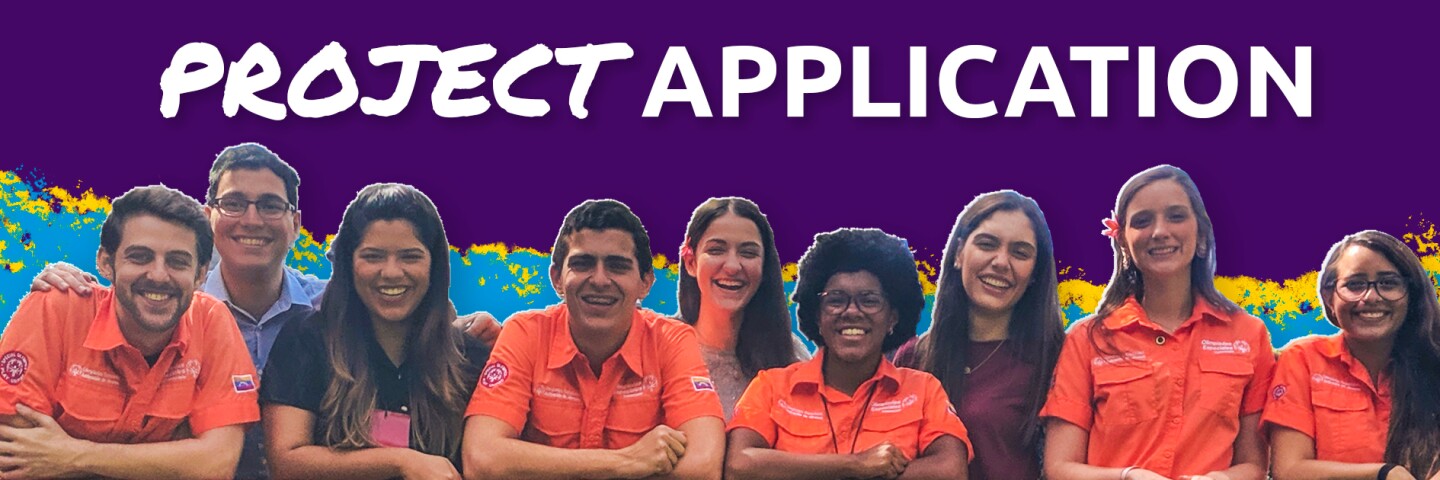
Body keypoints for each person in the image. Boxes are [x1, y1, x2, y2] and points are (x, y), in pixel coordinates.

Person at [28, 143, 497, 477]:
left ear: (295, 224)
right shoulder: (183, 307)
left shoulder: (323, 304)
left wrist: (483, 337)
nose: (252, 219)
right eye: (234, 203)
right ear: (208, 216)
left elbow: (394, 305)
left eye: (270, 206)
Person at [0, 185, 258, 479]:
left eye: (177, 261)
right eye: (139, 257)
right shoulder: (55, 308)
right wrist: (171, 460)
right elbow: (16, 453)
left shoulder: (211, 320)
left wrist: (74, 454)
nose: (159, 275)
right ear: (106, 263)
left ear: (200, 274)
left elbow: (216, 464)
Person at [463, 199, 724, 480]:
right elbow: (481, 459)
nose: (599, 279)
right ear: (557, 278)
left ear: (645, 283)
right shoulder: (525, 333)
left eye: (617, 266)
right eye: (583, 263)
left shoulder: (672, 340)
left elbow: (703, 466)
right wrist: (629, 461)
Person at [1042, 165, 1274, 480]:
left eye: (1176, 216)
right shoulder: (1087, 339)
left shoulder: (1249, 335)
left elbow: (1255, 465)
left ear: (1201, 231)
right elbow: (1059, 468)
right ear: (1123, 240)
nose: (1160, 231)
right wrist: (1128, 477)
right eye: (1142, 221)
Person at [260, 183, 488, 480]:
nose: (392, 272)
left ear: (434, 265)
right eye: (373, 256)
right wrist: (403, 463)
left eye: (410, 256)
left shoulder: (470, 357)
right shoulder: (305, 339)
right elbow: (286, 462)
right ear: (348, 264)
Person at [726, 228, 972, 480]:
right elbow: (739, 464)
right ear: (817, 315)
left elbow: (951, 470)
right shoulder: (771, 386)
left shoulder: (923, 390)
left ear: (893, 318)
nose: (852, 311)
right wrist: (854, 465)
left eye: (869, 300)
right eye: (836, 299)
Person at [893, 190, 1065, 480]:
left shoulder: (1058, 359)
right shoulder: (913, 357)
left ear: (1035, 272)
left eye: (1020, 252)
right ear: (959, 253)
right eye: (987, 244)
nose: (1001, 262)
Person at [1263, 230, 1440, 480]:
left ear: (1411, 295)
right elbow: (1290, 469)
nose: (1370, 297)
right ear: (1329, 296)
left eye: (1388, 283)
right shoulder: (1303, 359)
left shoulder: (1434, 363)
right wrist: (1384, 474)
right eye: (1354, 284)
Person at [676, 197, 807, 419]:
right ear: (691, 262)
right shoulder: (661, 347)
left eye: (748, 253)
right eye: (717, 250)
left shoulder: (789, 354)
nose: (732, 266)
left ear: (764, 267)